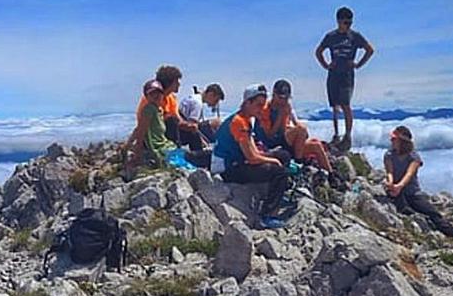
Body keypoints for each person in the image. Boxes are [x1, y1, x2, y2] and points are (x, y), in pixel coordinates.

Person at [384, 126, 453, 245]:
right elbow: (390, 172)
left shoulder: (414, 157)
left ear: (402, 141)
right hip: (395, 190)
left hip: (412, 192)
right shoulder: (388, 155)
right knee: (404, 208)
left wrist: (399, 186)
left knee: (432, 213)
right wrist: (391, 184)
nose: (391, 141)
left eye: (394, 139)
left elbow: (409, 173)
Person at [212, 84, 293, 217]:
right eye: (258, 105)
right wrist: (272, 160)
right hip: (227, 169)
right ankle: (269, 213)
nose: (261, 109)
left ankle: (275, 193)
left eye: (262, 105)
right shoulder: (239, 123)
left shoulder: (246, 120)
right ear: (247, 103)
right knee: (279, 172)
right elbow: (251, 158)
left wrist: (272, 157)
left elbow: (252, 150)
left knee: (283, 155)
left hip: (237, 161)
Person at [315, 6, 374, 151]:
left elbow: (370, 50)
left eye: (350, 23)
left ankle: (347, 136)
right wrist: (326, 65)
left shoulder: (355, 36)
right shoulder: (331, 37)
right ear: (338, 21)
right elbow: (318, 52)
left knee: (345, 105)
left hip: (347, 75)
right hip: (333, 74)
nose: (348, 26)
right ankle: (336, 135)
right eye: (346, 23)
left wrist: (358, 64)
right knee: (334, 105)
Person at [126, 79, 211, 172]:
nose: (156, 96)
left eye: (158, 93)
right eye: (152, 94)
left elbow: (138, 128)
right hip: (161, 152)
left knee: (198, 156)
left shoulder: (159, 110)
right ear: (147, 96)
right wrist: (136, 153)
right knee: (201, 157)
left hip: (167, 147)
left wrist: (127, 145)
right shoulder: (149, 110)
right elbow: (140, 130)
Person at [257, 79, 332, 172]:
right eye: (280, 98)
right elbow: (270, 135)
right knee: (301, 129)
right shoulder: (265, 109)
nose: (283, 101)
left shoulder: (287, 106)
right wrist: (280, 116)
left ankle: (331, 175)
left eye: (286, 98)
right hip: (272, 145)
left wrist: (301, 134)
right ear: (274, 94)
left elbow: (295, 123)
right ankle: (299, 162)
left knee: (316, 145)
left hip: (286, 142)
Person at [142, 65, 206, 151]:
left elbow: (178, 119)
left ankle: (198, 156)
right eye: (177, 82)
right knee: (171, 121)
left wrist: (191, 127)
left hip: (168, 133)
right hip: (155, 135)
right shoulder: (150, 100)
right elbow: (144, 125)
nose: (179, 84)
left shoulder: (171, 98)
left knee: (191, 130)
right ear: (169, 83)